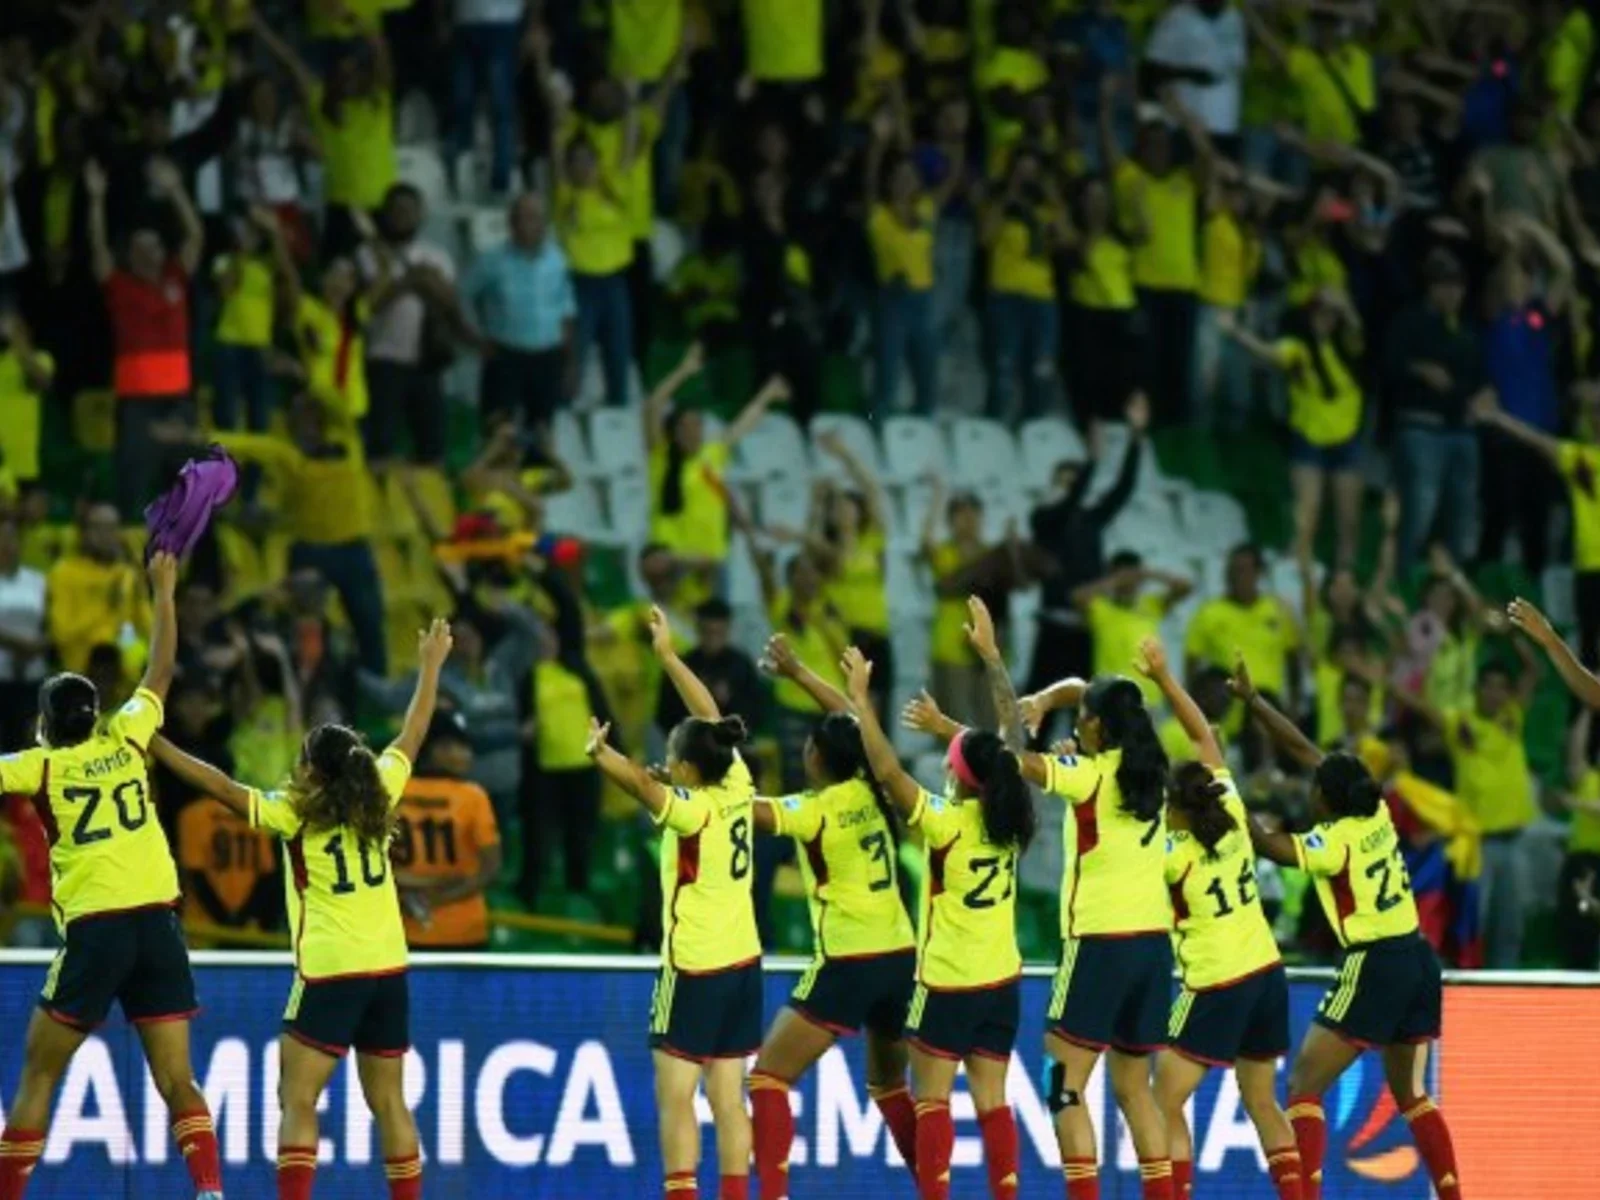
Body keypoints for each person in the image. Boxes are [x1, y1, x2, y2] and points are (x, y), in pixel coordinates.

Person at [148, 618, 453, 1200]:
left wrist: (157, 745)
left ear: (313, 769)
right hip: (389, 966)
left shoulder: (296, 812)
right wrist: (431, 665)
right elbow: (413, 731)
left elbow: (222, 788)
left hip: (330, 969)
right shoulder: (381, 791)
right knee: (389, 1100)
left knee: (298, 1098)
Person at [0, 554, 226, 1200]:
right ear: (95, 715)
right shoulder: (127, 737)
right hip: (159, 923)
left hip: (97, 929)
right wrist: (163, 590)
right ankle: (209, 1191)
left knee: (39, 1074)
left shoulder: (39, 766)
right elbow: (160, 667)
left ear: (46, 723)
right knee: (178, 1077)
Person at [1238, 664, 1463, 1200]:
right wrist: (1254, 701)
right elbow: (1305, 750)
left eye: (1316, 791)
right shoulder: (1376, 813)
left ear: (1328, 800)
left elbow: (1270, 845)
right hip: (1417, 957)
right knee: (1411, 1094)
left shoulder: (1333, 840)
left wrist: (1226, 796)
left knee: (1301, 1086)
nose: (1310, 794)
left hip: (1374, 963)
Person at [842, 601, 1035, 1200]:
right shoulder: (1013, 816)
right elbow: (1013, 737)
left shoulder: (945, 822)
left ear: (957, 777)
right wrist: (992, 658)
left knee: (932, 1104)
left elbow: (886, 767)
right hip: (1001, 980)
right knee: (993, 1104)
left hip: (948, 982)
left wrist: (860, 702)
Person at [583, 615, 760, 1200]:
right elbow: (710, 718)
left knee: (676, 1096)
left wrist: (600, 753)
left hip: (694, 968)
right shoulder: (736, 782)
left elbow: (638, 784)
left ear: (686, 770)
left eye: (672, 754)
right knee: (729, 1098)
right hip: (744, 962)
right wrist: (666, 656)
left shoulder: (691, 810)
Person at [748, 634, 919, 1197]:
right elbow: (852, 720)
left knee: (769, 1078)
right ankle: (933, 1187)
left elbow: (742, 812)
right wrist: (799, 673)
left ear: (815, 757)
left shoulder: (813, 809)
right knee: (890, 1085)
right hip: (900, 958)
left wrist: (682, 785)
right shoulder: (874, 789)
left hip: (848, 960)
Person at [1135, 638, 1302, 1200]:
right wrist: (1163, 678)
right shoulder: (1229, 807)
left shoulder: (1172, 857)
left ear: (1175, 809)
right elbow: (1204, 732)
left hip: (1217, 983)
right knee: (1261, 1100)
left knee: (1162, 1101)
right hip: (1266, 971)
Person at [1011, 659, 1174, 1198]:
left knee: (1061, 1085)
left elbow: (1012, 760)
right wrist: (1047, 700)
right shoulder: (1152, 774)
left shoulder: (1088, 775)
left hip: (1099, 947)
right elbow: (1092, 692)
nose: (1076, 723)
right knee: (1135, 1089)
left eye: (1082, 718)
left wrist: (1011, 702)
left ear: (1099, 726)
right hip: (1154, 950)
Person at [85, 157, 204, 518]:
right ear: (131, 255)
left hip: (179, 400)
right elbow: (98, 250)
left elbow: (196, 236)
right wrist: (95, 200)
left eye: (153, 246)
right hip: (136, 403)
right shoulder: (120, 286)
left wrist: (175, 191)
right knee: (135, 489)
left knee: (191, 492)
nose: (149, 252)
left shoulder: (175, 278)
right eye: (140, 247)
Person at [1217, 289, 1366, 568]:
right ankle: (1294, 572)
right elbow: (1270, 353)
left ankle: (1344, 577)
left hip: (1347, 438)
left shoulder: (1346, 345)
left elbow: (1356, 330)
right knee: (1307, 516)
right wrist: (1236, 332)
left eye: (1332, 315)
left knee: (1349, 520)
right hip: (1309, 438)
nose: (1328, 320)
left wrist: (1345, 305)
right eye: (1322, 314)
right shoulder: (1297, 347)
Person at [1383, 249, 1493, 569]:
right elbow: (1388, 365)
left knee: (1461, 516)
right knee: (1420, 509)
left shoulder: (1467, 330)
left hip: (1462, 430)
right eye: (1445, 285)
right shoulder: (1409, 320)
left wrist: (1486, 393)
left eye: (1457, 286)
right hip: (1421, 428)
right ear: (1430, 287)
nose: (1452, 293)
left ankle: (1451, 588)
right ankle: (1401, 578)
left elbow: (1480, 376)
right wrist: (1421, 369)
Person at [1476, 397, 1600, 666]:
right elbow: (1536, 440)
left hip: (1590, 569)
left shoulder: (1582, 459)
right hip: (1589, 567)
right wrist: (1498, 417)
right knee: (1589, 650)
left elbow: (1536, 440)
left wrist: (1497, 416)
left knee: (1590, 649)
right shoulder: (1582, 459)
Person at [462, 192, 577, 433]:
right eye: (524, 218)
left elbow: (566, 310)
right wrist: (475, 339)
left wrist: (568, 361)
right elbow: (461, 297)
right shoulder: (491, 260)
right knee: (497, 432)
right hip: (505, 357)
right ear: (511, 223)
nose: (531, 225)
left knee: (543, 432)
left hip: (548, 358)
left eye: (537, 218)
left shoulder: (557, 259)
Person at [393, 710, 502, 950]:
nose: (468, 756)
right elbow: (491, 870)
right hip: (463, 930)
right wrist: (438, 897)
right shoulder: (472, 796)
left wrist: (413, 892)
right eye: (460, 747)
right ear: (436, 749)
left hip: (402, 929)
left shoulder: (392, 790)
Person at [1071, 550, 1193, 706]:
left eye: (1133, 577)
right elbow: (1076, 597)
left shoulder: (1151, 605)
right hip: (1110, 698)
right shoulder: (1102, 609)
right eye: (1122, 576)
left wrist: (1148, 574)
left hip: (1148, 699)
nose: (1128, 582)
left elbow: (1185, 587)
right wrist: (1115, 580)